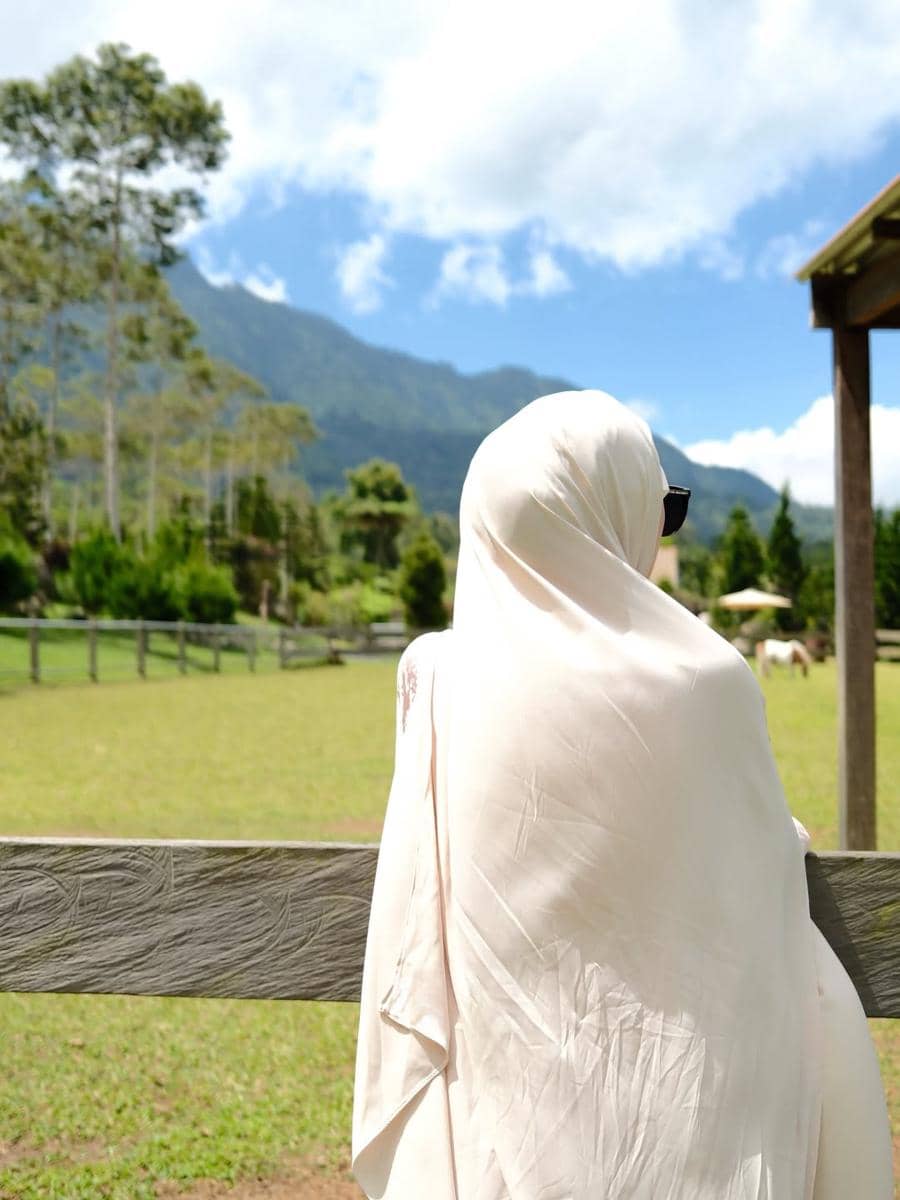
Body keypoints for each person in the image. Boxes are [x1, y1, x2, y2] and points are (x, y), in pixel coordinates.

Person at [352, 390, 893, 1199]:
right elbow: (758, 859)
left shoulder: (433, 679)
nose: (659, 530)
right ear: (609, 510)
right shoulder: (707, 679)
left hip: (496, 1139)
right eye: (661, 507)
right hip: (696, 1133)